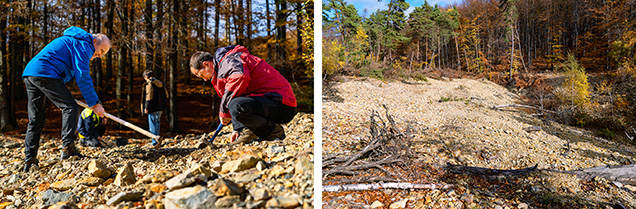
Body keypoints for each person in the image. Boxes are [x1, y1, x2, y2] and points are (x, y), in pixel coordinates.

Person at [21, 26, 110, 172]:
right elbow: (82, 76)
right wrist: (95, 103)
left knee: (36, 120)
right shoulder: (85, 44)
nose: (100, 56)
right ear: (95, 42)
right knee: (70, 108)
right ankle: (68, 149)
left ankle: (30, 159)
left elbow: (72, 71)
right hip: (45, 72)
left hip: (31, 73)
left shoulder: (74, 41)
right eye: (102, 51)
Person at [189, 45, 297, 144]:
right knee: (235, 103)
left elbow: (239, 77)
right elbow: (238, 95)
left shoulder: (229, 60)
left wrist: (224, 111)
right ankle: (250, 132)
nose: (205, 79)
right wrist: (237, 128)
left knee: (236, 105)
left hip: (282, 104)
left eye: (202, 75)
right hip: (271, 104)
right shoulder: (224, 66)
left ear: (206, 64)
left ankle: (273, 131)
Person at [141, 69, 168, 148]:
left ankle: (154, 142)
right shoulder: (160, 83)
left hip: (152, 108)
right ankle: (157, 140)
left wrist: (146, 107)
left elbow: (149, 97)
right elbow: (166, 95)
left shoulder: (150, 84)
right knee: (157, 124)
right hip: (160, 107)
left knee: (152, 126)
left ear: (146, 77)